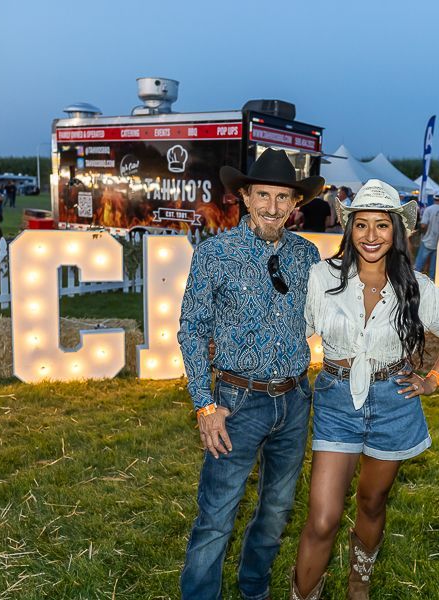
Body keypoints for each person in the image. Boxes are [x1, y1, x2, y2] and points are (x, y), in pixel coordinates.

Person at [290, 179, 439, 599]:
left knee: (371, 503)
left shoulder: (416, 286)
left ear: (397, 232)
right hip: (337, 399)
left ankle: (359, 581)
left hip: (395, 402)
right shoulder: (322, 276)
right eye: (361, 225)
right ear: (349, 229)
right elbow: (295, 333)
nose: (371, 236)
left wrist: (433, 379)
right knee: (322, 518)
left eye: (382, 226)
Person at [178, 149, 325, 600]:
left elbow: (329, 315)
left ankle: (253, 587)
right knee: (217, 514)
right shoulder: (215, 253)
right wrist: (205, 404)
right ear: (244, 196)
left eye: (284, 197)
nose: (273, 207)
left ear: (295, 204)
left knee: (278, 509)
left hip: (295, 398)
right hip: (237, 403)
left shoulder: (307, 254)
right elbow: (193, 331)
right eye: (264, 194)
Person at [413, 189, 439, 278]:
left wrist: (422, 232)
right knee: (433, 269)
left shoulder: (429, 209)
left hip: (427, 240)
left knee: (418, 267)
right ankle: (431, 287)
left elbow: (424, 225)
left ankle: (413, 285)